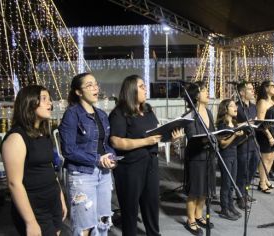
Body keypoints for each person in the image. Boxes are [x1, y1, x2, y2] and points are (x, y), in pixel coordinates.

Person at [109, 75, 182, 236]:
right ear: (131, 90)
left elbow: (156, 135)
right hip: (129, 168)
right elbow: (116, 142)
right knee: (130, 210)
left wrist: (171, 136)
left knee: (151, 205)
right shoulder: (120, 113)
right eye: (141, 86)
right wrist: (145, 142)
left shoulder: (147, 110)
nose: (145, 89)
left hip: (151, 164)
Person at [1, 85, 67, 235]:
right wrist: (30, 222)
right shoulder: (16, 138)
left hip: (52, 202)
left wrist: (60, 198)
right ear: (29, 103)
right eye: (44, 99)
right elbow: (14, 183)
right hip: (34, 208)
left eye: (50, 99)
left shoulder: (43, 134)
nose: (50, 103)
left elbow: (50, 170)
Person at [59, 73, 116, 236]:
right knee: (85, 227)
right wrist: (98, 159)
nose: (95, 87)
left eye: (96, 84)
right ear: (78, 92)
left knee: (103, 222)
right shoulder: (72, 114)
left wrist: (111, 157)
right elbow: (68, 150)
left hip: (104, 174)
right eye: (89, 85)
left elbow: (106, 145)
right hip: (82, 175)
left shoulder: (102, 115)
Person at [183, 81, 215, 235]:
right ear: (196, 95)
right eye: (204, 90)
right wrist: (206, 139)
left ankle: (199, 215)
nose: (207, 93)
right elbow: (191, 137)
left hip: (209, 155)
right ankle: (190, 220)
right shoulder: (190, 115)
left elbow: (213, 131)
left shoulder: (208, 112)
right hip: (196, 156)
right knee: (195, 190)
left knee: (205, 189)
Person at [256, 81, 274, 194]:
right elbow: (260, 121)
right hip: (266, 132)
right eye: (273, 86)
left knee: (273, 155)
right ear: (266, 88)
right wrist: (269, 136)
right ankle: (262, 182)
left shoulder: (273, 101)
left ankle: (265, 179)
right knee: (266, 157)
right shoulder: (262, 102)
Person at [215, 99, 243, 221]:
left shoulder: (235, 123)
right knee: (226, 183)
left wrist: (244, 135)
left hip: (234, 154)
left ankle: (231, 206)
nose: (235, 107)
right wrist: (235, 135)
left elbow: (235, 142)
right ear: (225, 109)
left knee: (232, 183)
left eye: (235, 105)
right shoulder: (222, 125)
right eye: (232, 106)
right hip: (225, 155)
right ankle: (224, 209)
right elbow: (223, 144)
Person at [235, 81, 259, 209]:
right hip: (242, 143)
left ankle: (245, 191)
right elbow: (232, 126)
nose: (252, 91)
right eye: (249, 89)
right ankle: (240, 196)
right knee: (242, 171)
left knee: (251, 169)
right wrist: (245, 124)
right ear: (242, 92)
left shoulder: (254, 107)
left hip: (253, 142)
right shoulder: (237, 107)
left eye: (252, 89)